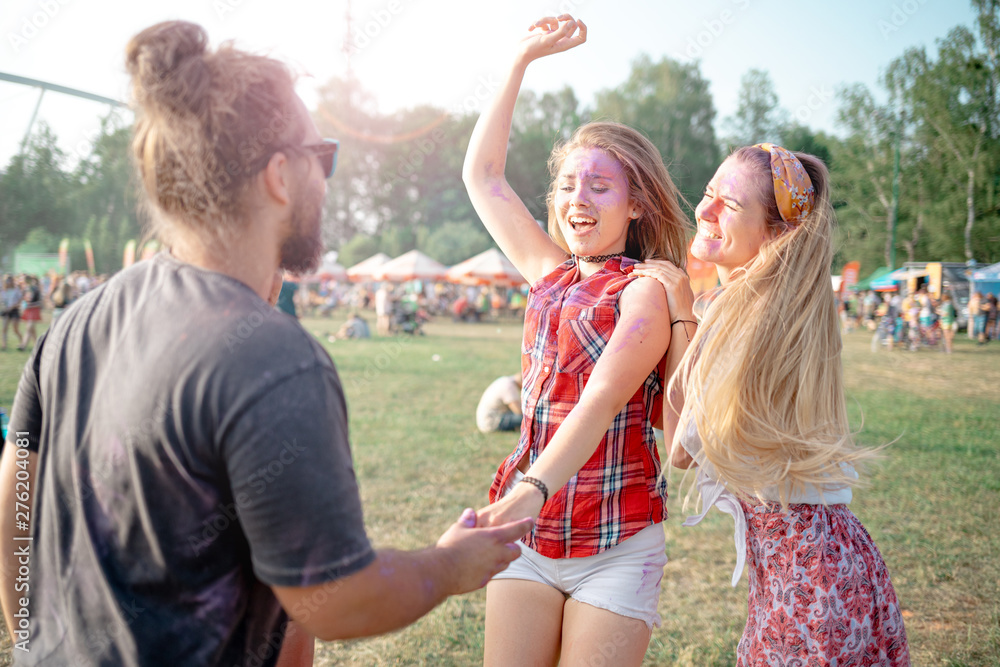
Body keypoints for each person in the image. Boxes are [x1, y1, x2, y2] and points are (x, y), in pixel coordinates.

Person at [0, 21, 532, 667]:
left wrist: (29, 638)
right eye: (324, 154)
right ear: (280, 175)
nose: (327, 179)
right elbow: (332, 599)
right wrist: (448, 566)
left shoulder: (73, 323)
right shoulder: (274, 358)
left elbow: (14, 507)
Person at [463, 15, 691, 665]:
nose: (576, 199)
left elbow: (599, 402)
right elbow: (484, 177)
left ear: (636, 203)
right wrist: (517, 63)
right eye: (567, 184)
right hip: (530, 541)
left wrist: (530, 489)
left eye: (598, 185)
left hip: (616, 541)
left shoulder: (642, 288)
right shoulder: (548, 270)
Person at [635, 143, 909, 664]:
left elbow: (681, 452)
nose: (706, 211)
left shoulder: (736, 318)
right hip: (840, 562)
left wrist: (679, 315)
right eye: (709, 194)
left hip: (801, 583)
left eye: (731, 206)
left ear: (776, 233)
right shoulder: (789, 306)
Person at [18, 275, 42, 351]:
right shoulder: (25, 289)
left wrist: (31, 305)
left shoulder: (35, 289)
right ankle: (37, 345)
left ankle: (23, 345)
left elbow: (40, 302)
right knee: (31, 329)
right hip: (27, 310)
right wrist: (23, 305)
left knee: (29, 327)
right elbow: (23, 300)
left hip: (34, 310)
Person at [0, 276, 21, 351]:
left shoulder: (16, 290)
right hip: (6, 310)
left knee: (15, 329)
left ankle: (21, 341)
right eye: (6, 281)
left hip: (14, 310)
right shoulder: (3, 291)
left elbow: (20, 300)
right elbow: (2, 300)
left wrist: (14, 306)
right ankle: (4, 345)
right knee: (4, 328)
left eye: (9, 280)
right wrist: (4, 306)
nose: (8, 282)